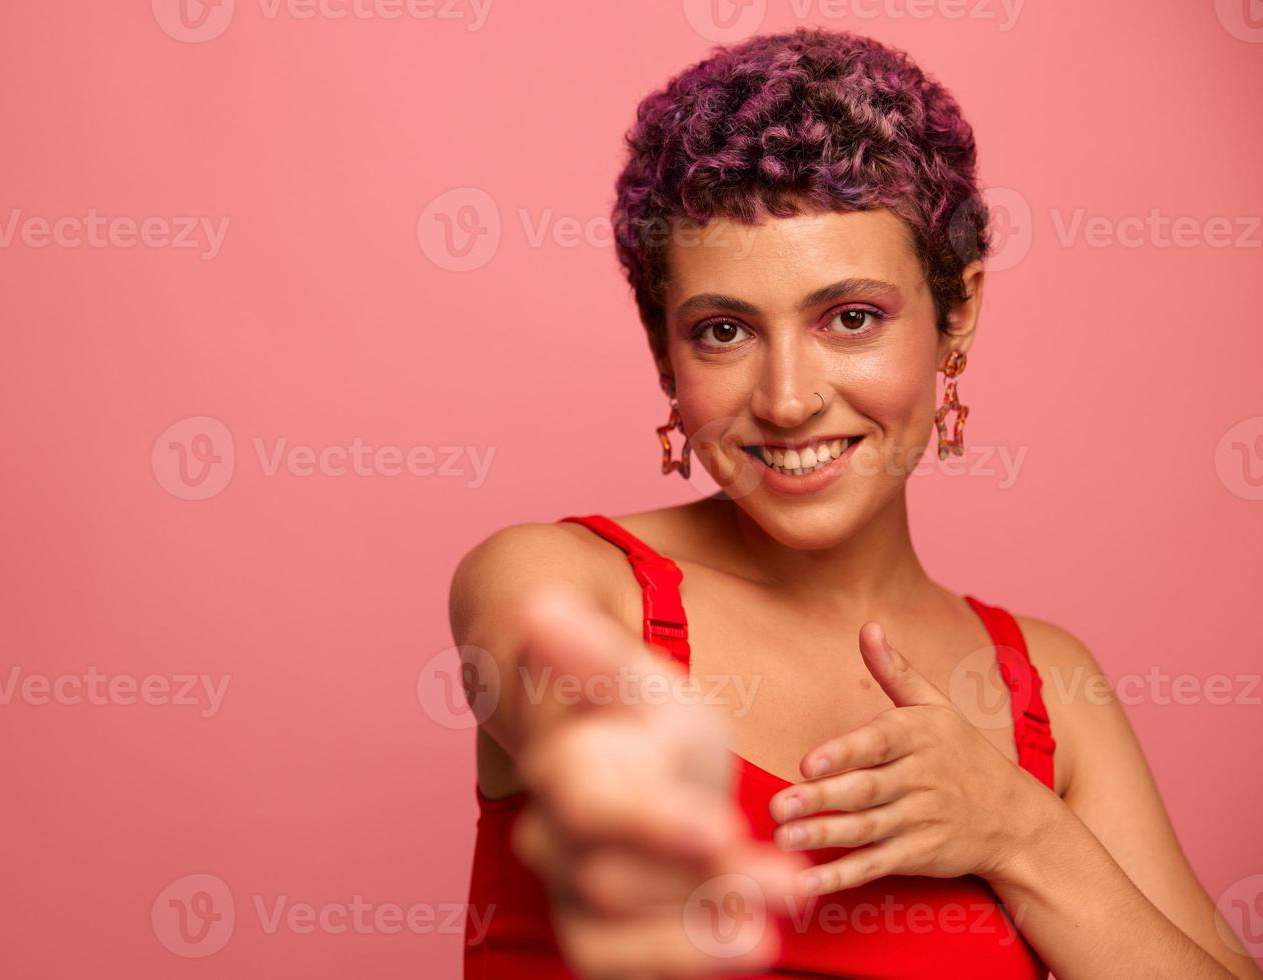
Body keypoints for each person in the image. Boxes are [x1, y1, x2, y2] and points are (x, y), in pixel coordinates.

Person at [450, 27, 1261, 980]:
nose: (788, 398)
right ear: (664, 352)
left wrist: (1020, 833)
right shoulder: (561, 583)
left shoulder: (1047, 687)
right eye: (723, 330)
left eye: (851, 318)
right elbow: (565, 698)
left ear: (957, 313)